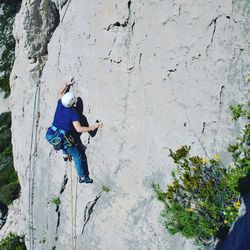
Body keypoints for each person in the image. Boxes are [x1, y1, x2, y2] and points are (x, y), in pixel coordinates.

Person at [50, 81, 101, 183]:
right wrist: (92, 127)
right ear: (73, 103)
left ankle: (65, 154)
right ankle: (83, 177)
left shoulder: (60, 103)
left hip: (51, 134)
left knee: (63, 142)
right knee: (77, 155)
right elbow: (79, 129)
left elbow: (60, 94)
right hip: (63, 138)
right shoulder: (74, 113)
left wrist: (66, 85)